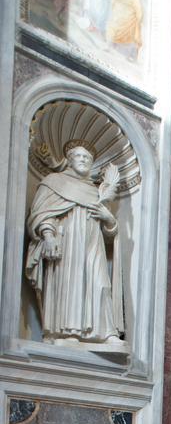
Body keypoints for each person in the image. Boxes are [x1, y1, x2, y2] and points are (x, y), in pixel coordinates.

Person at [25, 140, 125, 346]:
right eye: (79, 156)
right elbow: (41, 212)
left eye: (87, 158)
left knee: (101, 283)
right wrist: (48, 235)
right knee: (71, 283)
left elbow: (111, 236)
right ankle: (67, 332)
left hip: (93, 244)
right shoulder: (54, 181)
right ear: (69, 160)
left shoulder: (95, 191)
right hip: (67, 242)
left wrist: (109, 218)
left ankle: (106, 332)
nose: (83, 160)